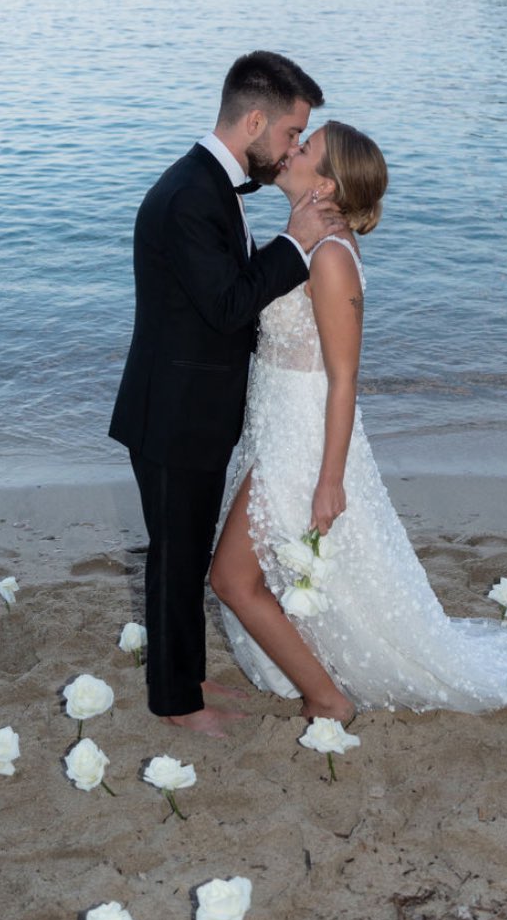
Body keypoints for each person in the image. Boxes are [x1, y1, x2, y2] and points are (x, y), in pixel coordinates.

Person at [211, 120, 507, 719]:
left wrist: (330, 480)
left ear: (326, 185)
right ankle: (322, 689)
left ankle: (329, 701)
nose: (292, 150)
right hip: (275, 429)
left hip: (302, 441)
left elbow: (344, 378)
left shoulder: (330, 257)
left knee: (231, 578)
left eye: (307, 147)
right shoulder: (305, 239)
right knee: (245, 576)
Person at [109, 51, 341, 737]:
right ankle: (175, 702)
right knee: (176, 559)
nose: (294, 147)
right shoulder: (189, 198)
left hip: (190, 410)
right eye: (293, 133)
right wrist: (295, 245)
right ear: (256, 120)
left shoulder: (210, 185)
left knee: (182, 554)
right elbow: (226, 305)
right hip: (174, 416)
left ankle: (182, 676)